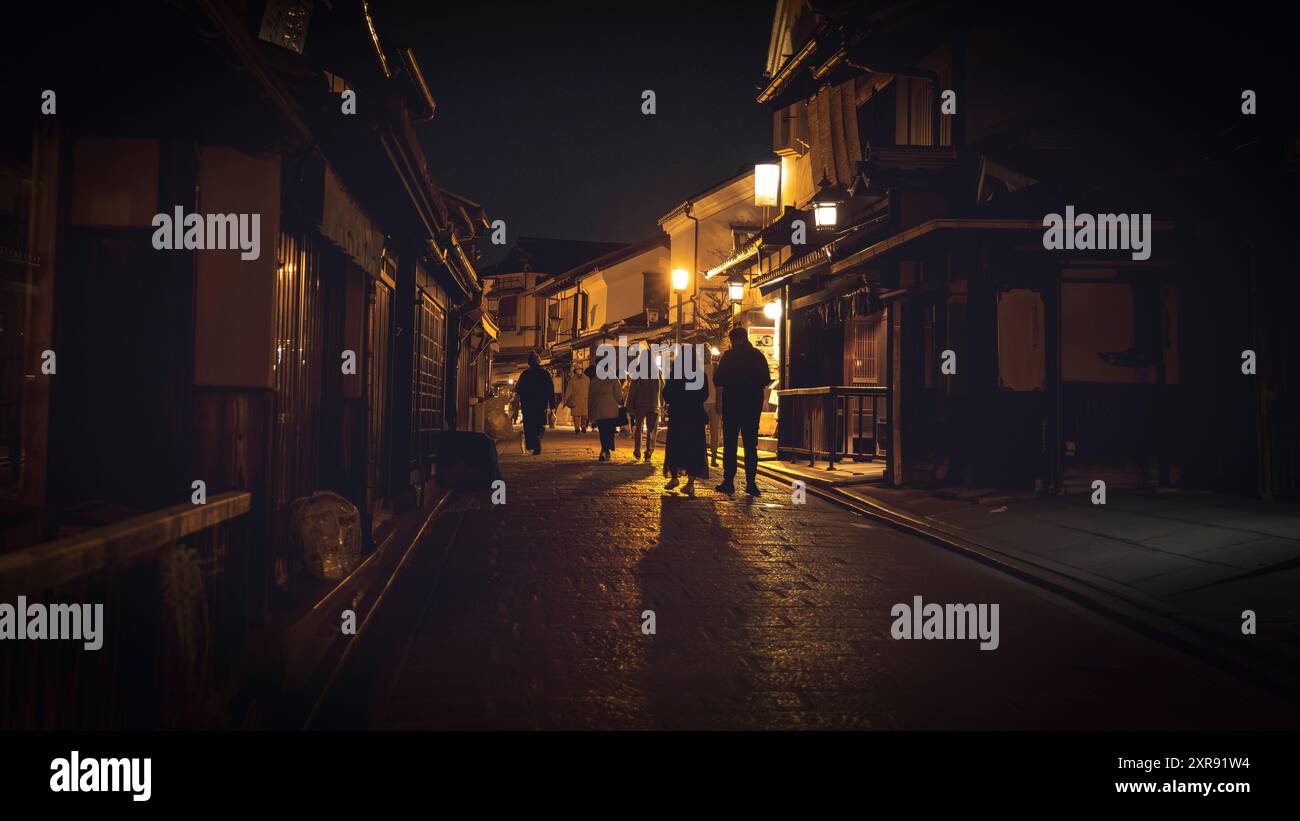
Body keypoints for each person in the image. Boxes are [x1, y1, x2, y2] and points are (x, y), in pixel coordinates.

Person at [712, 326, 772, 496]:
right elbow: (766, 379)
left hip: (732, 405)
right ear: (746, 338)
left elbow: (718, 380)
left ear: (733, 340)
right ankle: (751, 483)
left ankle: (728, 481)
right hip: (752, 406)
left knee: (730, 444)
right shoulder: (757, 356)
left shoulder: (728, 357)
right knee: (750, 445)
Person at [660, 348, 709, 496]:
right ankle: (690, 483)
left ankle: (674, 477)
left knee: (676, 446)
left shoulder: (675, 375)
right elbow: (704, 395)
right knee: (694, 448)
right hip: (695, 416)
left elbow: (667, 395)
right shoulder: (701, 375)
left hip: (678, 415)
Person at [624, 343, 661, 462]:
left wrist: (629, 404)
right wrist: (663, 402)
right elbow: (662, 388)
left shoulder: (638, 370)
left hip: (640, 404)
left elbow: (633, 389)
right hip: (654, 404)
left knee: (639, 427)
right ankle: (649, 451)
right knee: (652, 429)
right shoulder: (657, 371)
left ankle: (637, 450)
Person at [515, 351, 555, 455]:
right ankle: (537, 437)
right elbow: (550, 390)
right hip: (541, 404)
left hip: (527, 404)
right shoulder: (545, 374)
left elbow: (518, 389)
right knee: (540, 423)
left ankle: (533, 445)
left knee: (529, 425)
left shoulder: (525, 374)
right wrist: (552, 405)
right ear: (539, 361)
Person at [587, 363, 624, 462]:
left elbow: (591, 397)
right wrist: (621, 402)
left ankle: (604, 450)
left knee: (603, 431)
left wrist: (591, 413)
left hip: (599, 410)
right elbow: (618, 395)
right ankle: (607, 450)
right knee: (610, 431)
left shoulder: (595, 380)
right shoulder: (614, 379)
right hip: (612, 410)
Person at [703, 351, 721, 467]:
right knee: (704, 432)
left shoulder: (715, 367)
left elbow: (720, 386)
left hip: (714, 402)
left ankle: (713, 457)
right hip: (703, 402)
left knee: (715, 431)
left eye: (707, 353)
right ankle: (705, 458)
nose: (707, 356)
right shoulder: (698, 367)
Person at [563, 366, 590, 433]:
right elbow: (569, 391)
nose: (579, 371)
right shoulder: (572, 380)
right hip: (575, 400)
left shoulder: (586, 379)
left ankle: (583, 426)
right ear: (575, 371)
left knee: (584, 415)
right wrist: (566, 400)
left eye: (580, 369)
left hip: (585, 399)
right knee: (576, 415)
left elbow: (590, 389)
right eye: (577, 370)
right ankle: (577, 428)